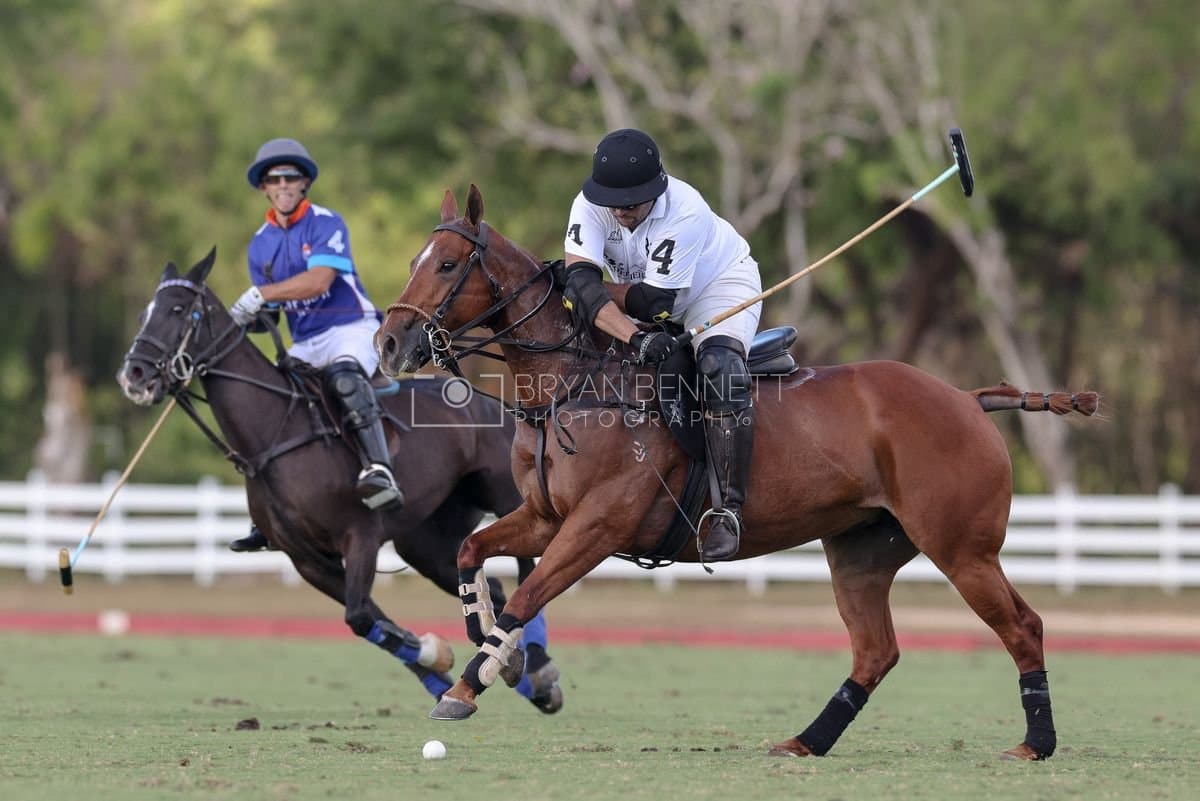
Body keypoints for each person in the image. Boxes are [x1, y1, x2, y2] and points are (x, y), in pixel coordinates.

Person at [561, 128, 762, 561]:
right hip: (641, 298)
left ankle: (728, 510)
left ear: (656, 190)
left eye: (630, 205)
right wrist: (626, 330)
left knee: (719, 370)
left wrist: (589, 291)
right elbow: (578, 282)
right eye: (611, 204)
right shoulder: (591, 207)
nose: (619, 213)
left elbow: (655, 302)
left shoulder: (685, 211)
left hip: (717, 288)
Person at [226, 137, 402, 552]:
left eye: (291, 177)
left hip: (350, 326)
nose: (283, 184)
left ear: (304, 183)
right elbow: (273, 310)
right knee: (268, 401)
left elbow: (319, 280)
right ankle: (268, 512)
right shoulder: (260, 243)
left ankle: (380, 468)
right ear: (263, 188)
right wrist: (246, 319)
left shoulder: (326, 222)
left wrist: (260, 296)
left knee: (343, 377)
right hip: (303, 340)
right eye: (274, 178)